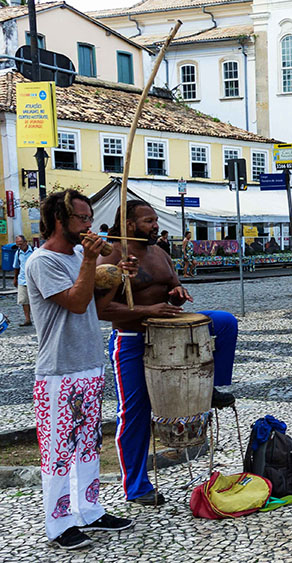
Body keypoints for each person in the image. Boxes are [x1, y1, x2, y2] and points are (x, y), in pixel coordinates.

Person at [96, 201, 238, 506]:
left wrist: (177, 294)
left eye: (156, 219)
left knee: (225, 322)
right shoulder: (110, 254)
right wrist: (148, 309)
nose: (155, 226)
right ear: (130, 224)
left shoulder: (159, 252)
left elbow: (174, 287)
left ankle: (216, 387)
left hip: (170, 330)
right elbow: (101, 310)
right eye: (149, 221)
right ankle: (136, 486)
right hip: (133, 338)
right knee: (134, 412)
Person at [26, 189, 136, 549]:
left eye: (90, 218)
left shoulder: (76, 255)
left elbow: (94, 306)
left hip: (88, 363)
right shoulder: (42, 262)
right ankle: (59, 524)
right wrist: (90, 261)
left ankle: (89, 509)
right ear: (61, 219)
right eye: (83, 218)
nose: (90, 225)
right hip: (59, 370)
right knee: (59, 450)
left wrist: (118, 276)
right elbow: (73, 303)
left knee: (88, 445)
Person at [13, 234, 34, 326]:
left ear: (26, 242)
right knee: (24, 301)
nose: (20, 246)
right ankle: (27, 319)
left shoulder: (34, 251)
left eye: (21, 244)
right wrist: (15, 278)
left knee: (35, 300)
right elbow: (16, 267)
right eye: (18, 244)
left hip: (33, 280)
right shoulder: (18, 253)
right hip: (22, 279)